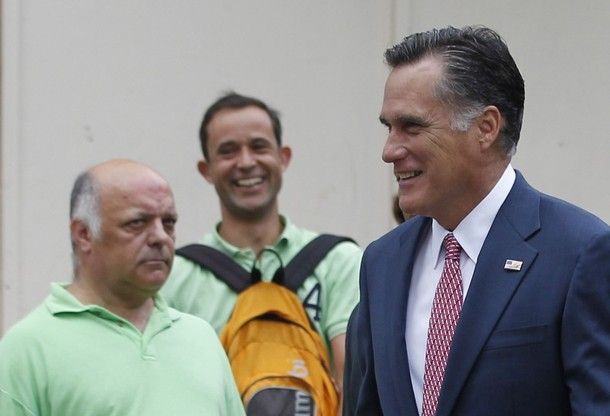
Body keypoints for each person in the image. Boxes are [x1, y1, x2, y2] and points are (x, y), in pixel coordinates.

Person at [344, 26, 610, 415]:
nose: (389, 151)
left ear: (485, 128)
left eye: (412, 126)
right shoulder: (381, 262)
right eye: (389, 127)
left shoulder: (580, 253)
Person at [161, 92, 362, 408]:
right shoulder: (174, 276)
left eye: (259, 147)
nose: (245, 162)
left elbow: (352, 382)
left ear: (283, 157)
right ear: (206, 169)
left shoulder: (340, 262)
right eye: (228, 152)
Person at [0, 159, 245, 416]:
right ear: (83, 234)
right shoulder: (28, 349)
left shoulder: (201, 337)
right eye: (137, 222)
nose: (160, 237)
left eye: (169, 222)